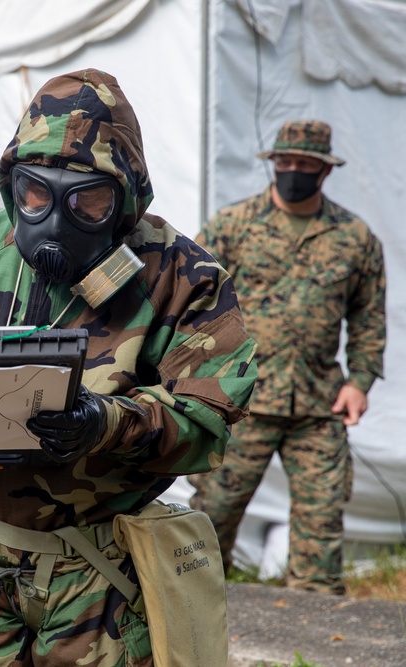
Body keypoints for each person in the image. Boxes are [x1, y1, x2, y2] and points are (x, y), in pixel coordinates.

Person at [0, 69, 258, 664]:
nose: (54, 218)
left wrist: (106, 423)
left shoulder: (181, 278)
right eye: (36, 195)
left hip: (98, 574)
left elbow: (207, 414)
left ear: (123, 200)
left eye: (87, 200)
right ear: (12, 186)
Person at [189, 120, 386, 595]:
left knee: (321, 533)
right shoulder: (231, 226)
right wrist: (201, 378)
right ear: (273, 164)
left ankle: (314, 640)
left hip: (319, 406)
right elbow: (192, 301)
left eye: (305, 164)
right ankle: (197, 620)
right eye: (286, 162)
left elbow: (368, 316)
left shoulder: (355, 238)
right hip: (241, 399)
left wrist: (359, 381)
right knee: (208, 523)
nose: (294, 171)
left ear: (324, 170)